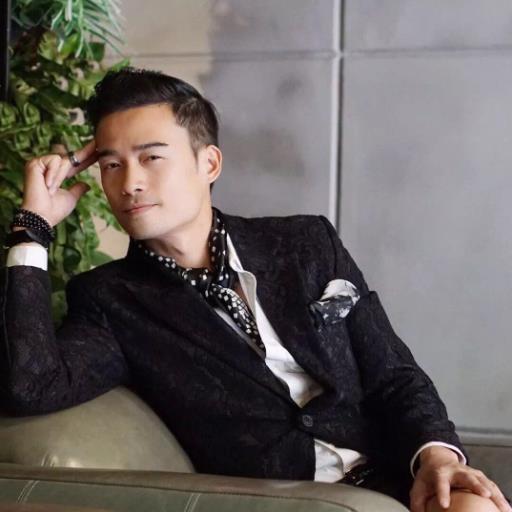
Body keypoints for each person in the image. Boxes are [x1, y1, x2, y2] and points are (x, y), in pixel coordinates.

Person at [0, 67, 509, 512]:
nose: (129, 182)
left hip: (394, 471)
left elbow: (393, 373)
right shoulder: (111, 299)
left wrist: (436, 456)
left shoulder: (305, 243)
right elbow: (31, 385)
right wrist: (32, 230)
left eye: (151, 157)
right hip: (282, 499)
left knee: (472, 504)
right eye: (111, 164)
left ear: (209, 164)